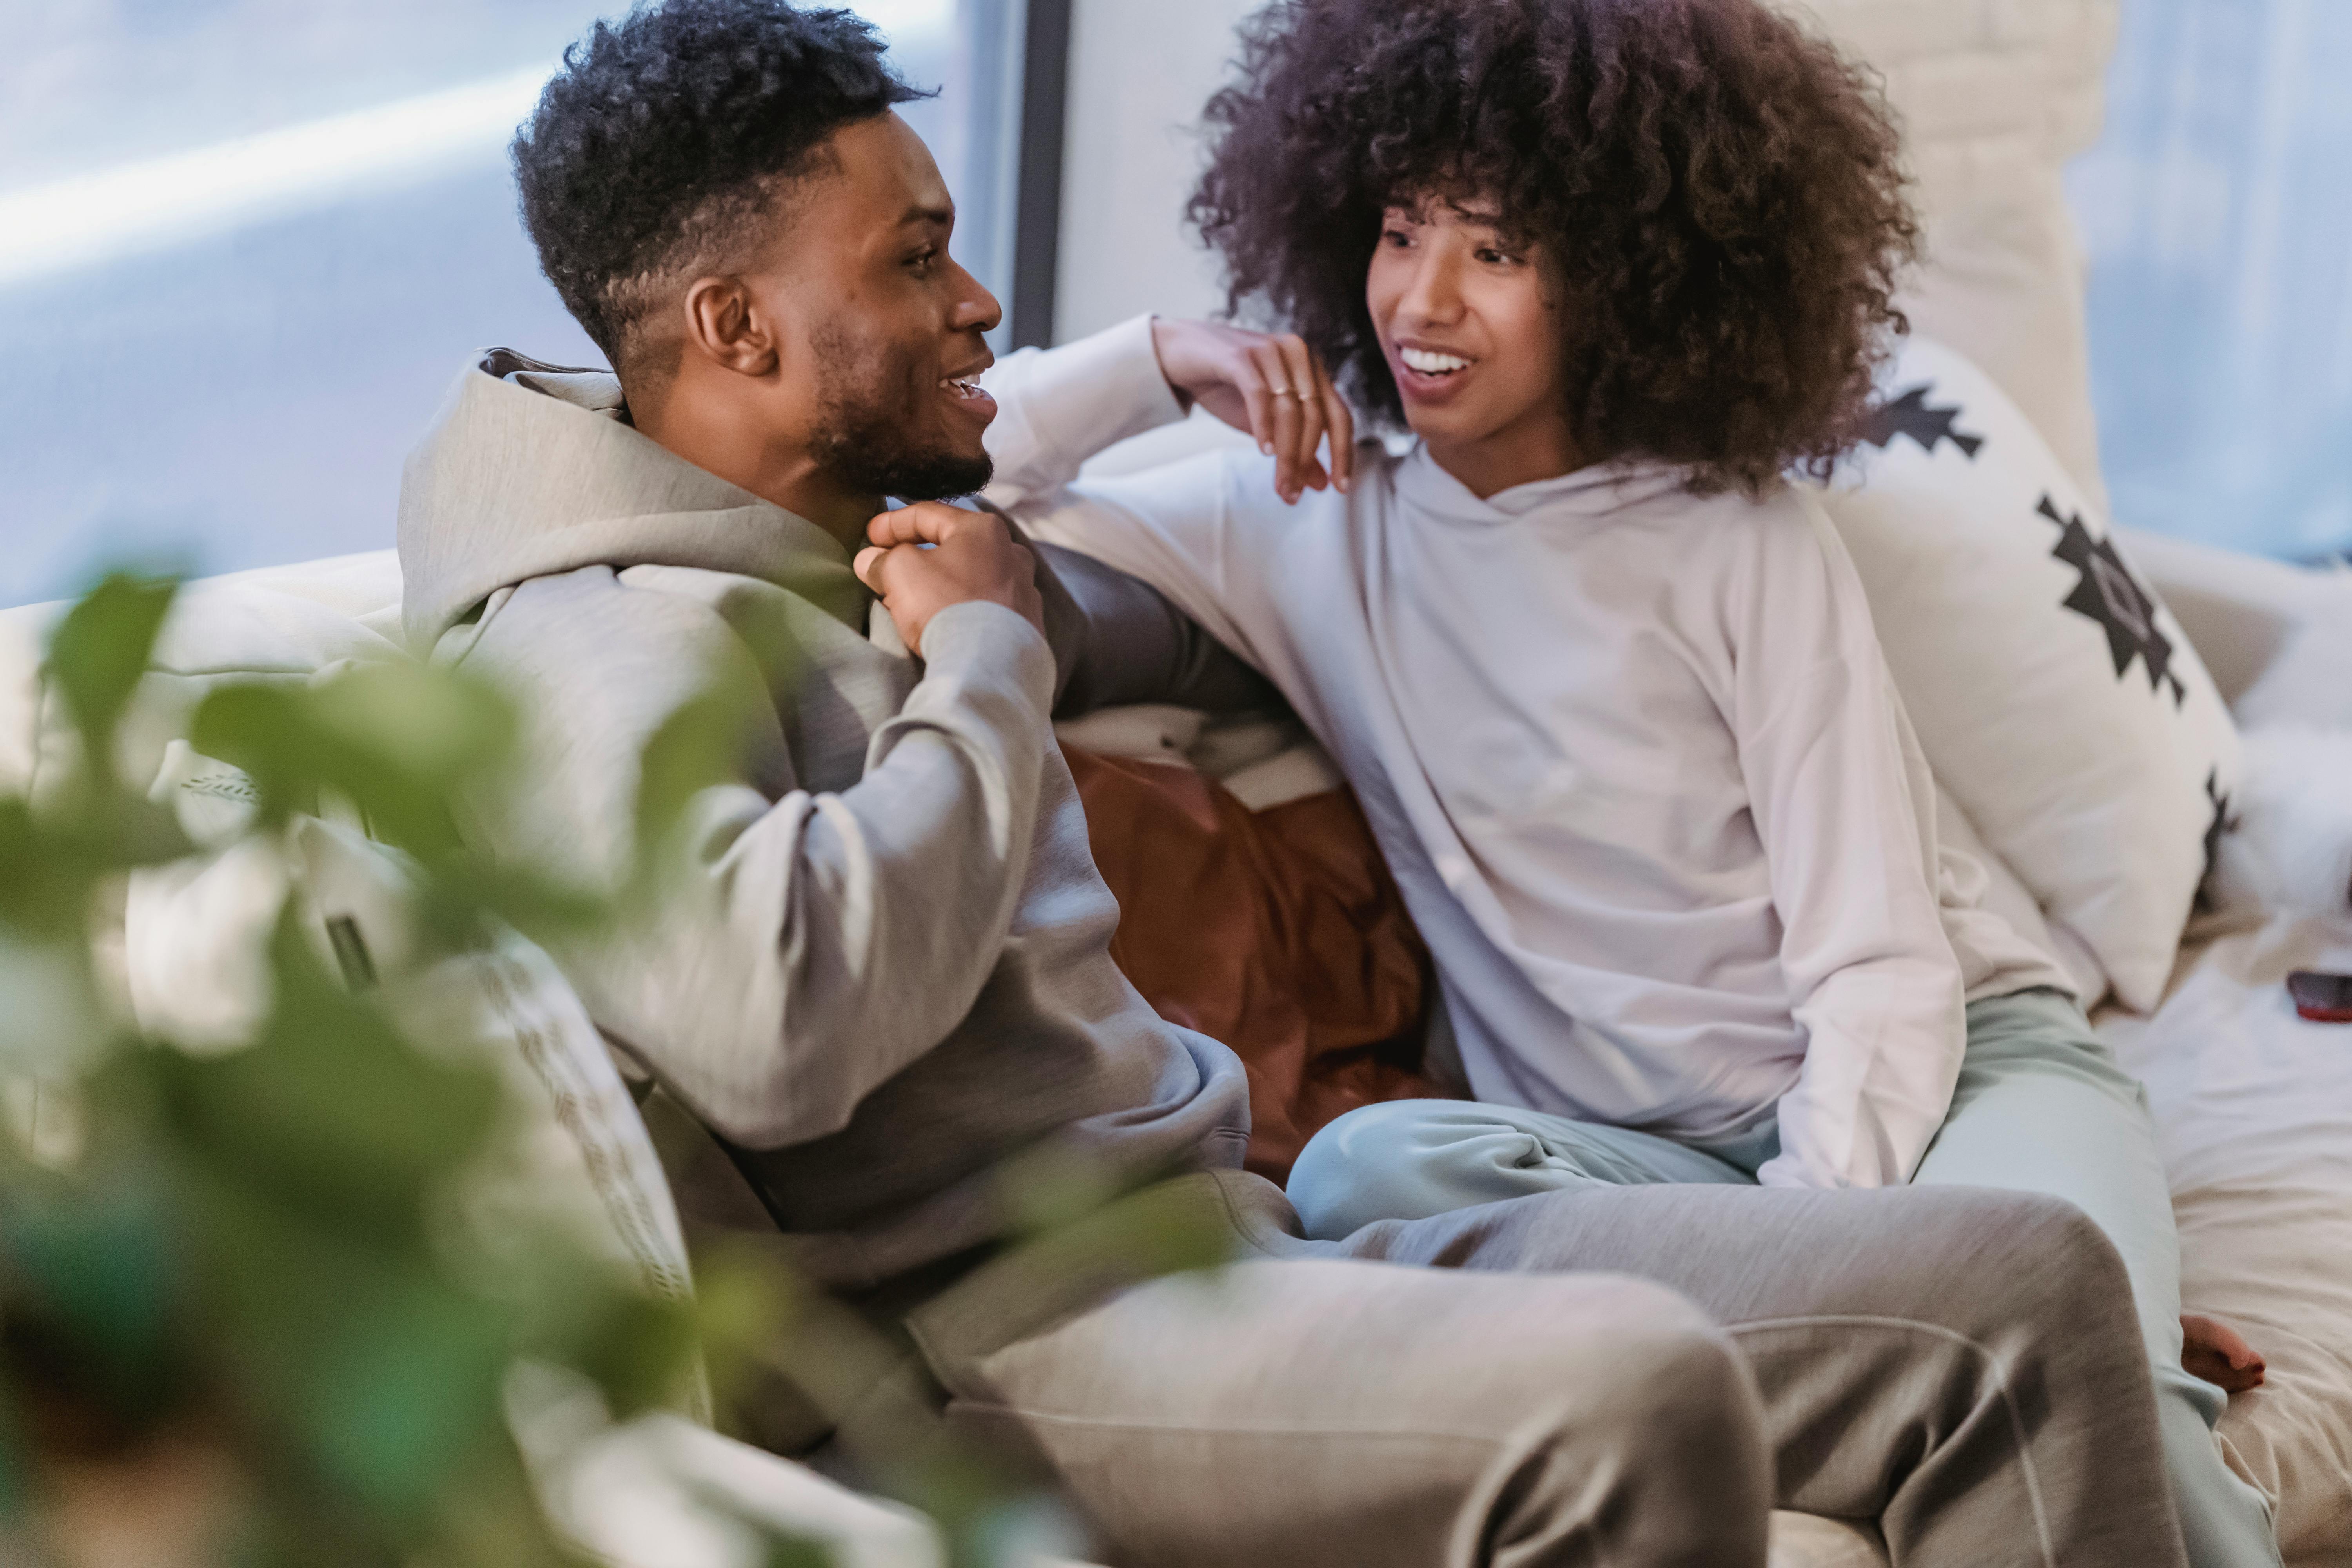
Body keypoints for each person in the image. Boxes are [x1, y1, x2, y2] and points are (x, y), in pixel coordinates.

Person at [399, 3, 2192, 1563]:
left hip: (1249, 1228)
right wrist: (990, 662)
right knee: (1629, 1385)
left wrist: (1125, 416)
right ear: (734, 326)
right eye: (916, 260)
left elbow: (1059, 554)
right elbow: (775, 1021)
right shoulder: (599, 637)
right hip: (1034, 1326)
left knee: (2025, 1292)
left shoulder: (833, 528)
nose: (978, 297)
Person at [989, 0, 2278, 1563]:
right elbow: (973, 477)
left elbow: (1880, 972)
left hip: (1947, 1078)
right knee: (1366, 1169)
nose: (1426, 298)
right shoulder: (1298, 513)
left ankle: (2080, 1330)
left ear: (1626, 276)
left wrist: (1869, 1262)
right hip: (1624, 1155)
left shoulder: (1743, 542)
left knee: (2086, 1356)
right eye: (1401, 233)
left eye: (1500, 251)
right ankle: (2013, 1315)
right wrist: (1158, 354)